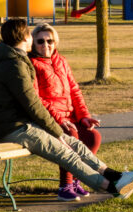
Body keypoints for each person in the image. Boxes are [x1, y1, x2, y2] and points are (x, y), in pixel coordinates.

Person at [0, 18, 133, 200]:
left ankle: (116, 176)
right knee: (66, 152)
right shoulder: (14, 65)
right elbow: (33, 104)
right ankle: (112, 188)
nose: (38, 42)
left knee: (75, 145)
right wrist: (56, 132)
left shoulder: (16, 61)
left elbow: (68, 91)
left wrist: (70, 124)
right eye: (33, 37)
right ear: (25, 37)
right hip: (15, 128)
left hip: (25, 124)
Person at [29, 23, 102, 200]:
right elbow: (36, 98)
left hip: (70, 116)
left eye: (50, 41)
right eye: (40, 41)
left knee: (93, 137)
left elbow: (74, 90)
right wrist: (59, 118)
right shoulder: (32, 64)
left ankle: (76, 180)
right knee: (70, 135)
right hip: (49, 119)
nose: (46, 45)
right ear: (33, 43)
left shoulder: (61, 61)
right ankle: (65, 186)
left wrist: (84, 116)